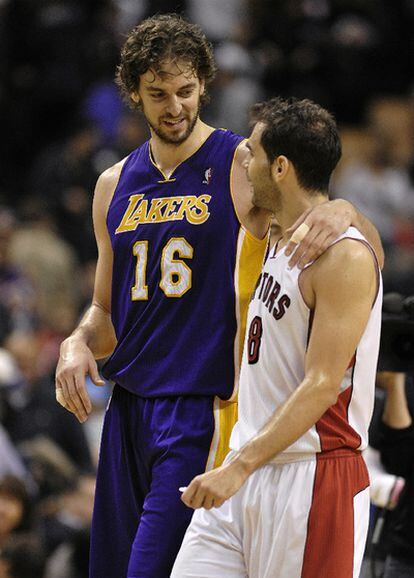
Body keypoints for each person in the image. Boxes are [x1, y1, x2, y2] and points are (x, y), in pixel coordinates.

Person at [55, 15, 383, 578]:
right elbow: (105, 310)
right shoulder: (113, 184)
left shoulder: (242, 164)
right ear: (135, 93)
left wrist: (346, 210)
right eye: (158, 94)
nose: (174, 106)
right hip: (127, 408)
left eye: (185, 91)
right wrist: (78, 341)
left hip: (203, 409)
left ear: (204, 86)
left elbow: (351, 244)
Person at [172, 97, 383, 578]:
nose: (245, 157)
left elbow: (323, 383)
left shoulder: (343, 256)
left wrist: (239, 464)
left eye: (255, 151)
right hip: (243, 474)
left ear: (282, 167)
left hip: (311, 477)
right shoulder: (270, 227)